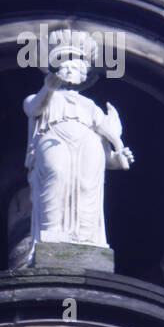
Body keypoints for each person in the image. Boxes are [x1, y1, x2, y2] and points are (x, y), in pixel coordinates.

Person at [23, 29, 133, 251]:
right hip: (54, 138)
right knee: (55, 175)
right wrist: (48, 88)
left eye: (78, 69)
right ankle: (51, 233)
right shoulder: (43, 97)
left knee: (87, 186)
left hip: (87, 142)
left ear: (84, 78)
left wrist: (119, 150)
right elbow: (34, 108)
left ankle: (85, 237)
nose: (72, 71)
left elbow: (106, 129)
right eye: (67, 67)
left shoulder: (90, 105)